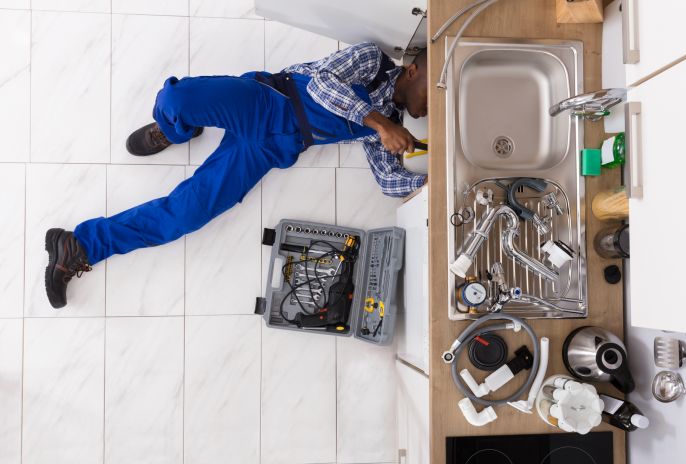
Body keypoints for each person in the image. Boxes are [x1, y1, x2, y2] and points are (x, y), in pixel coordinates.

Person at [44, 42, 428, 309]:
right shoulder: (372, 61)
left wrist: (426, 181)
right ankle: (178, 129)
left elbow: (387, 180)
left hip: (270, 149)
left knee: (186, 214)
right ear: (411, 71)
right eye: (429, 95)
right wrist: (379, 124)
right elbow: (321, 85)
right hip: (267, 100)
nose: (426, 108)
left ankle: (80, 245)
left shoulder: (390, 125)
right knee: (175, 102)